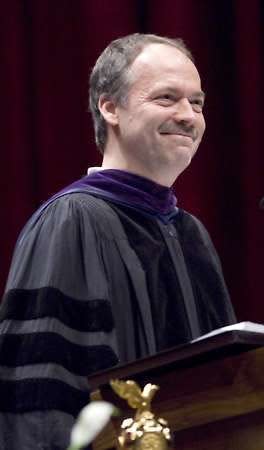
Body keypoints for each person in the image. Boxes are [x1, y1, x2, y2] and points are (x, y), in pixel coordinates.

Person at [0, 33, 236, 450]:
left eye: (196, 103)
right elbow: (39, 398)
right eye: (166, 98)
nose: (187, 115)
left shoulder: (191, 233)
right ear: (109, 107)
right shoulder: (72, 220)